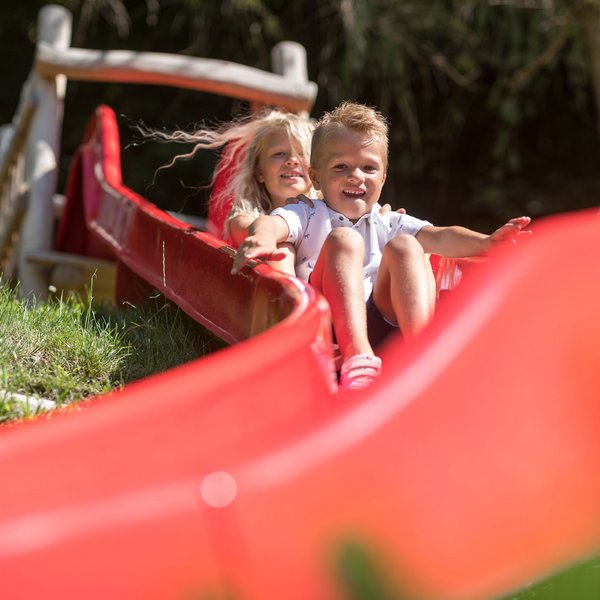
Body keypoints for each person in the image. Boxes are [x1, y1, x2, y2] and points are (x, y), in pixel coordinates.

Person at [232, 101, 531, 391]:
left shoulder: (387, 220)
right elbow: (273, 222)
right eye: (341, 167)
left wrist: (488, 243)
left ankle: (422, 355)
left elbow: (440, 236)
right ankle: (357, 359)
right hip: (330, 322)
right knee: (344, 240)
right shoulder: (308, 212)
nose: (356, 176)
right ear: (316, 178)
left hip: (383, 316)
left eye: (368, 168)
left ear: (384, 177)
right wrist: (263, 237)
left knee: (408, 246)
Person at [144, 108, 316, 275]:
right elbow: (244, 228)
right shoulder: (246, 214)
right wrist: (264, 236)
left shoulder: (325, 211)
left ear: (316, 170)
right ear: (260, 172)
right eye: (279, 153)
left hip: (322, 286)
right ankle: (291, 301)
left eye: (302, 153)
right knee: (281, 247)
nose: (292, 160)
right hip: (275, 293)